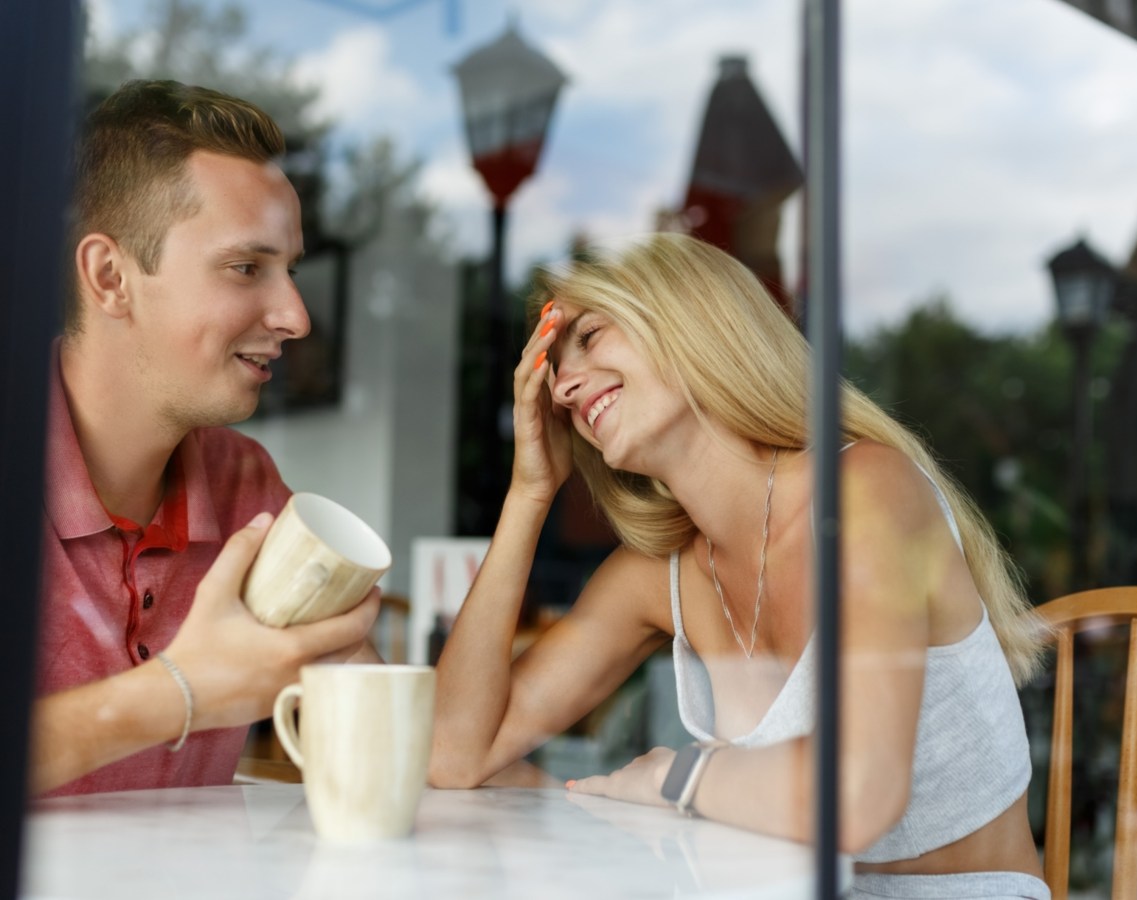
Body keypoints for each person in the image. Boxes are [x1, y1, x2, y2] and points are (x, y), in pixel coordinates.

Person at [430, 233, 1050, 899]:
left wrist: (678, 778)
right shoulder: (656, 576)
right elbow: (454, 754)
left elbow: (858, 792)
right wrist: (529, 494)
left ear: (690, 320)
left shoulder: (869, 490)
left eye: (592, 335)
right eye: (555, 366)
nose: (564, 385)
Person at [31, 79, 379, 797]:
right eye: (247, 268)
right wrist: (183, 690)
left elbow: (384, 740)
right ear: (110, 277)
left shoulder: (246, 484)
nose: (295, 316)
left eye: (290, 272)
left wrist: (530, 491)